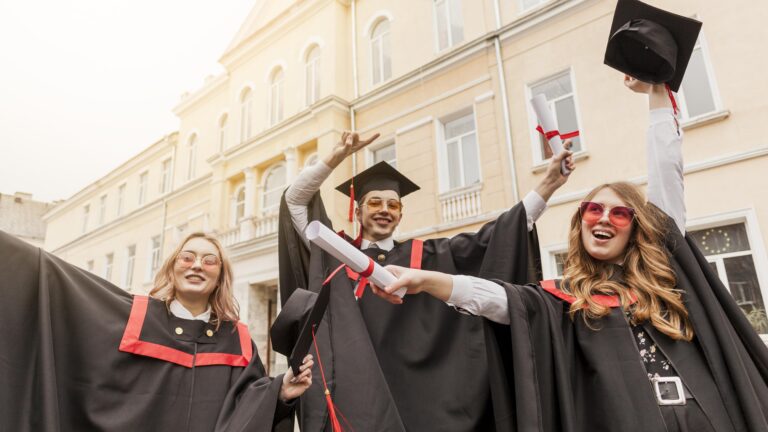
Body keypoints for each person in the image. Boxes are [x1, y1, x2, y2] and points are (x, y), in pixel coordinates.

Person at [373, 77, 768, 431]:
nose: (604, 219)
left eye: (619, 212)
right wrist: (427, 280)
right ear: (581, 223)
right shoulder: (568, 299)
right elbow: (498, 300)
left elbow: (668, 175)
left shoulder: (667, 273)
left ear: (636, 227)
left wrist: (657, 96)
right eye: (593, 210)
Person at [278, 129, 574, 431]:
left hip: (419, 400)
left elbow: (496, 238)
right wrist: (336, 156)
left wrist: (549, 185)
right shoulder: (335, 252)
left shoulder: (428, 256)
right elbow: (295, 201)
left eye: (392, 205)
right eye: (375, 202)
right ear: (358, 210)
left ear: (401, 214)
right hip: (355, 397)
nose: (384, 210)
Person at [0, 230, 313, 432]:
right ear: (171, 268)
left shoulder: (236, 340)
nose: (196, 266)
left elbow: (249, 406)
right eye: (187, 257)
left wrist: (281, 390)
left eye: (209, 261)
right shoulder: (134, 316)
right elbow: (59, 283)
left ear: (220, 277)